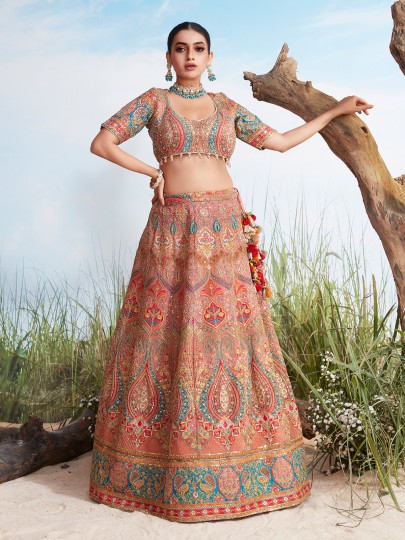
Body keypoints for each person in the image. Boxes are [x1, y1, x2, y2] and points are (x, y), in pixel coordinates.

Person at [88, 21, 373, 523]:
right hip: (173, 228)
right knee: (166, 333)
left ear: (210, 56)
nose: (190, 56)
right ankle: (163, 466)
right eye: (181, 49)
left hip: (223, 227)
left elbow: (279, 142)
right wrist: (152, 172)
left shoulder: (225, 107)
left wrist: (334, 111)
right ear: (169, 57)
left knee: (233, 338)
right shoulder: (154, 102)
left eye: (198, 49)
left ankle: (243, 458)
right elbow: (102, 143)